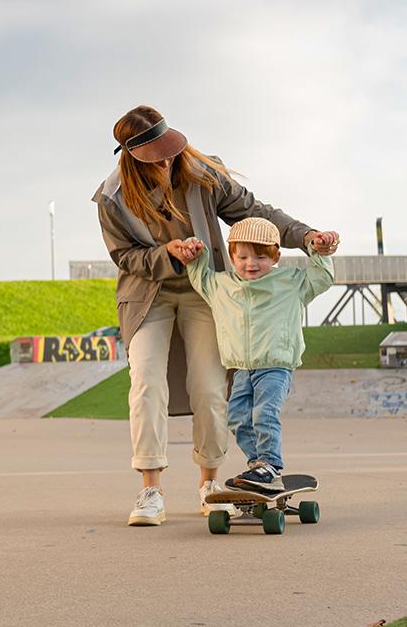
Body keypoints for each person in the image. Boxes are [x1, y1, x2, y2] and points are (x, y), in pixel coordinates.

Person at [94, 105, 338, 525]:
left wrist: (306, 236)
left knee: (208, 388)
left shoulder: (203, 173)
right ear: (131, 157)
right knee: (146, 384)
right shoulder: (112, 198)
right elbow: (124, 257)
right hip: (148, 295)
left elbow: (257, 214)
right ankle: (150, 490)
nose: (168, 161)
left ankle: (209, 482)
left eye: (170, 151)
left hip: (206, 292)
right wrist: (165, 253)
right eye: (156, 157)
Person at [170, 218, 335, 492]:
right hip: (241, 369)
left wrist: (318, 251)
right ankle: (258, 465)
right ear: (232, 256)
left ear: (276, 256)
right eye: (243, 256)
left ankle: (270, 464)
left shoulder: (290, 282)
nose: (251, 264)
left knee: (264, 413)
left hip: (275, 366)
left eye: (261, 257)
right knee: (236, 417)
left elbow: (323, 278)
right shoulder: (222, 285)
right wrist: (197, 254)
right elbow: (200, 277)